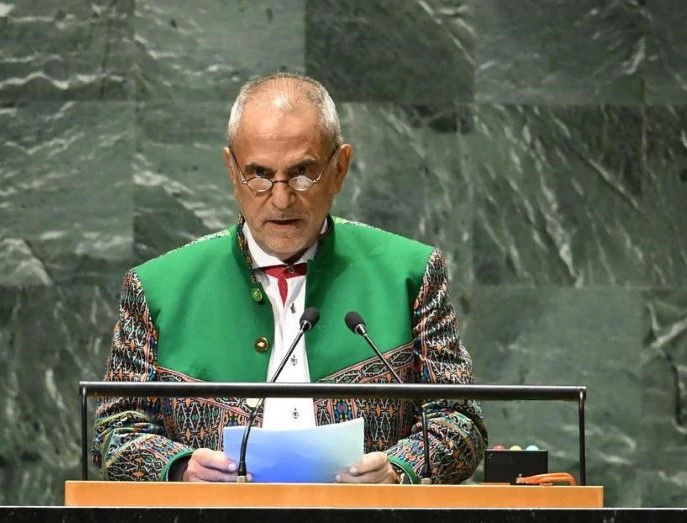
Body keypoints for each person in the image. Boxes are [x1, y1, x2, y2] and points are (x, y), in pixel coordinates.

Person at [93, 72, 487, 484]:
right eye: (259, 174)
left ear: (340, 168)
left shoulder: (410, 274)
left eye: (302, 173)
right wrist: (179, 468)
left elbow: (458, 418)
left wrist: (399, 470)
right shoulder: (157, 289)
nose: (281, 199)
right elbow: (115, 430)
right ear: (231, 170)